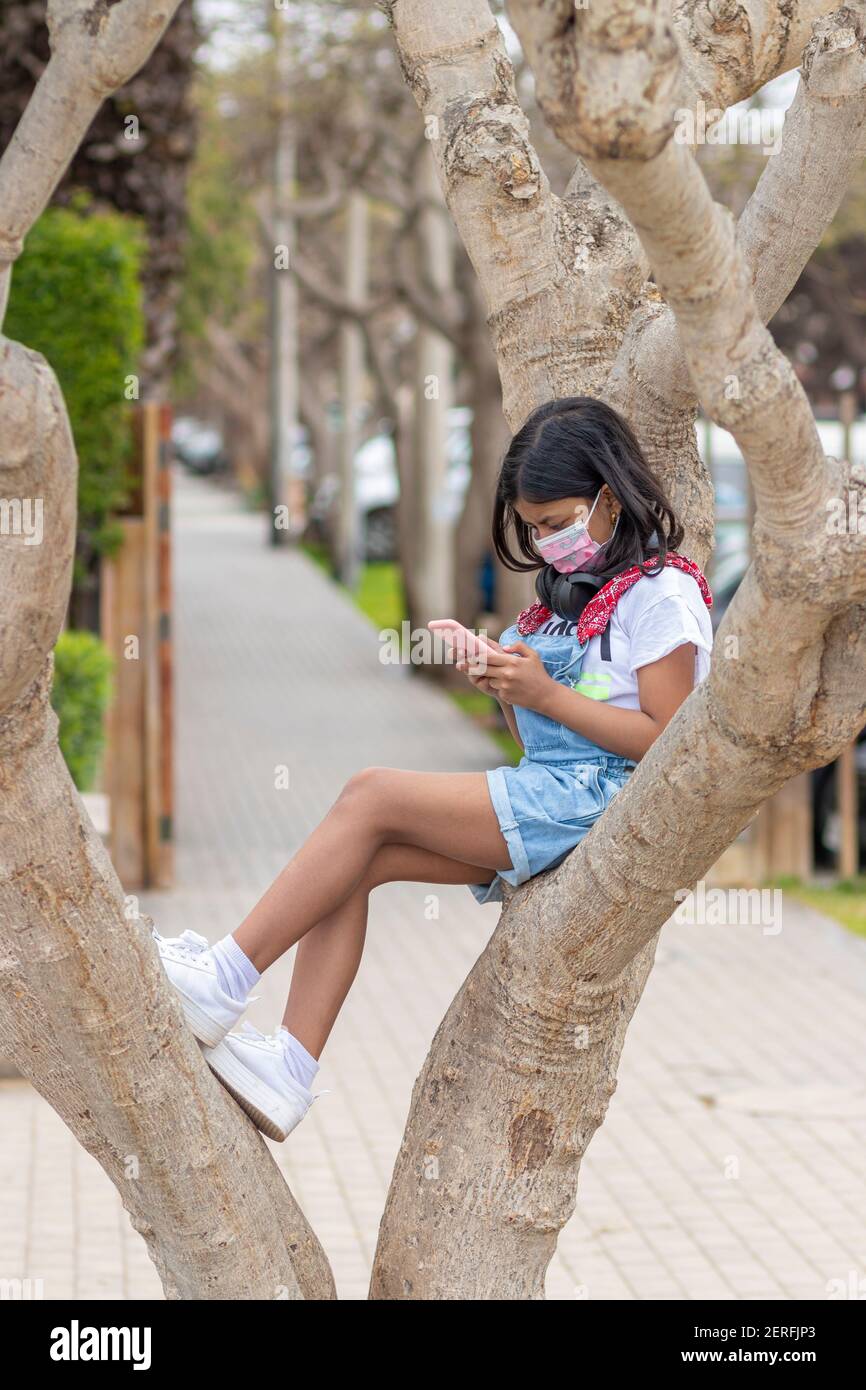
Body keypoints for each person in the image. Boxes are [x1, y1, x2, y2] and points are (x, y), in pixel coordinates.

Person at [154, 396, 713, 1141]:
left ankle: (225, 979)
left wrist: (543, 690)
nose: (547, 542)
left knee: (371, 793)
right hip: (557, 792)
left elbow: (667, 742)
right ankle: (288, 1068)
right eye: (535, 527)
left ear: (610, 498)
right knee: (359, 857)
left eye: (558, 521)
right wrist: (504, 687)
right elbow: (539, 741)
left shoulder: (662, 595)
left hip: (605, 805)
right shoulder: (566, 600)